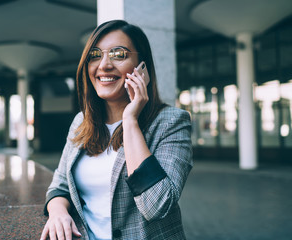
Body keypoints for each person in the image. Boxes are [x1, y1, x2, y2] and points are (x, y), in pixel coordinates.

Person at [40, 20, 193, 240]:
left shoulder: (171, 122)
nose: (104, 65)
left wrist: (130, 120)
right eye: (95, 55)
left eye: (118, 54)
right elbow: (60, 184)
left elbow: (157, 205)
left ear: (142, 66)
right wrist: (57, 212)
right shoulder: (81, 122)